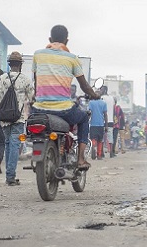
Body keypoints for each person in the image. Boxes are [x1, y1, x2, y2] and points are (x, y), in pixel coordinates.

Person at [31, 25, 99, 170]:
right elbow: (85, 86)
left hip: (38, 109)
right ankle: (80, 159)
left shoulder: (38, 55)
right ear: (66, 41)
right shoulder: (72, 58)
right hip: (64, 110)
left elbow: (37, 82)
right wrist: (95, 95)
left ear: (50, 39)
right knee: (84, 118)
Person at [0, 51, 34, 186]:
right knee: (15, 144)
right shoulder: (25, 80)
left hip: (3, 118)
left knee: (9, 143)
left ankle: (9, 174)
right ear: (20, 65)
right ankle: (10, 176)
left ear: (9, 65)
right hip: (18, 117)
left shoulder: (1, 79)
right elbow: (32, 99)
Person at [88, 90, 108, 160]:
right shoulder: (103, 103)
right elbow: (105, 115)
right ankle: (99, 155)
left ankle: (93, 148)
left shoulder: (91, 103)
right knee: (100, 140)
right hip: (101, 124)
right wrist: (106, 126)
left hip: (93, 124)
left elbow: (89, 113)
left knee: (93, 139)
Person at [99, 85, 116, 157]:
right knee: (110, 137)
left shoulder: (102, 98)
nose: (100, 91)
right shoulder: (112, 98)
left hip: (103, 120)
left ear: (104, 90)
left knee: (102, 137)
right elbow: (113, 109)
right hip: (110, 120)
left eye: (101, 90)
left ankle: (102, 152)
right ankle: (111, 153)